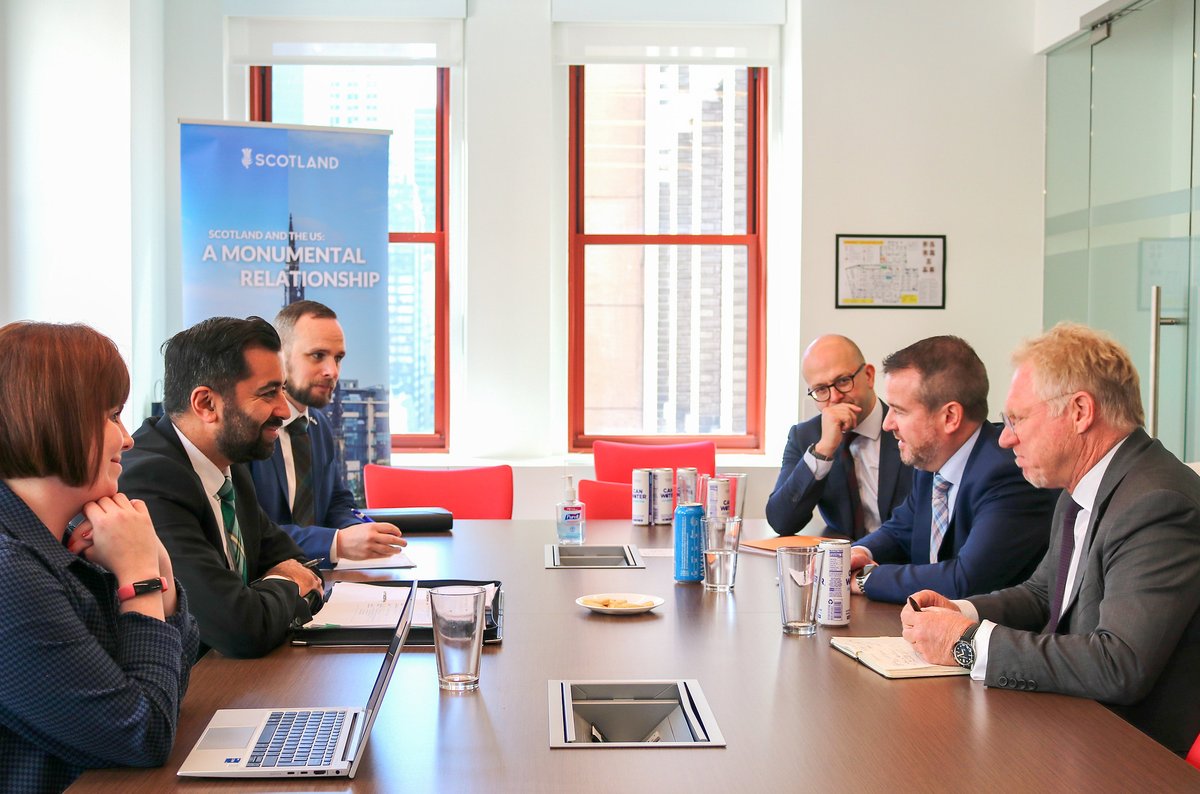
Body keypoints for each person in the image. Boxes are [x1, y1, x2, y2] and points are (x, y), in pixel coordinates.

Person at [902, 324, 1200, 755]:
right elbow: (1045, 594)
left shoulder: (1156, 503)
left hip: (1138, 752)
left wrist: (966, 643)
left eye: (1018, 419)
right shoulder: (1081, 487)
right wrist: (960, 610)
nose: (1005, 438)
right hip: (1081, 722)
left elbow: (1119, 664)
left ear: (1080, 411)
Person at [0, 322, 199, 793]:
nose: (127, 439)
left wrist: (157, 569)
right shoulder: (10, 571)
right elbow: (142, 734)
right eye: (112, 417)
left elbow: (172, 677)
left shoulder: (63, 542)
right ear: (54, 420)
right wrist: (139, 581)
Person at [120, 316, 322, 659]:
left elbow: (302, 565)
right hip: (193, 694)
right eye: (268, 393)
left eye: (283, 390)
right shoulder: (151, 480)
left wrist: (268, 595)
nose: (283, 410)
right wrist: (286, 587)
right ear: (206, 404)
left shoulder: (229, 464)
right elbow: (240, 629)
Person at [849, 335, 1056, 604]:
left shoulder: (1008, 473)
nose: (888, 424)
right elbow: (899, 531)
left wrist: (867, 579)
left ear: (950, 417)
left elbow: (965, 580)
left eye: (899, 411)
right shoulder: (931, 461)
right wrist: (848, 557)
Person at [249, 301, 406, 567]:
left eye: (338, 358)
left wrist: (361, 532)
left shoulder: (318, 425)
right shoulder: (249, 430)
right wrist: (339, 542)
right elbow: (252, 531)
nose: (332, 371)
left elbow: (337, 501)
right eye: (317, 355)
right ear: (280, 356)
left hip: (322, 579)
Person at [766, 334, 913, 539]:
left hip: (901, 564)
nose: (835, 397)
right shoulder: (804, 436)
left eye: (843, 381)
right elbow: (781, 521)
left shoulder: (909, 427)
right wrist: (823, 450)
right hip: (841, 564)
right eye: (821, 389)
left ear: (869, 376)